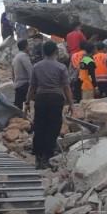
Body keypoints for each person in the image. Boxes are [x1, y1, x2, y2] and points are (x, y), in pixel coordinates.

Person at [26, 41, 74, 169]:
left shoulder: (36, 66)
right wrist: (71, 103)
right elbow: (66, 87)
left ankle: (38, 156)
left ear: (43, 52)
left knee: (39, 126)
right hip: (56, 99)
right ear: (55, 52)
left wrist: (27, 102)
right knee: (53, 128)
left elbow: (32, 87)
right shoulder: (61, 67)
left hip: (40, 98)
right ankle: (47, 157)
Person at [12, 39, 33, 110]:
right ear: (26, 46)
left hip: (18, 85)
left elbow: (12, 73)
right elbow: (30, 71)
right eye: (28, 45)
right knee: (25, 107)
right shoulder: (24, 56)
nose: (29, 47)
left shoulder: (16, 57)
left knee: (18, 107)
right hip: (24, 85)